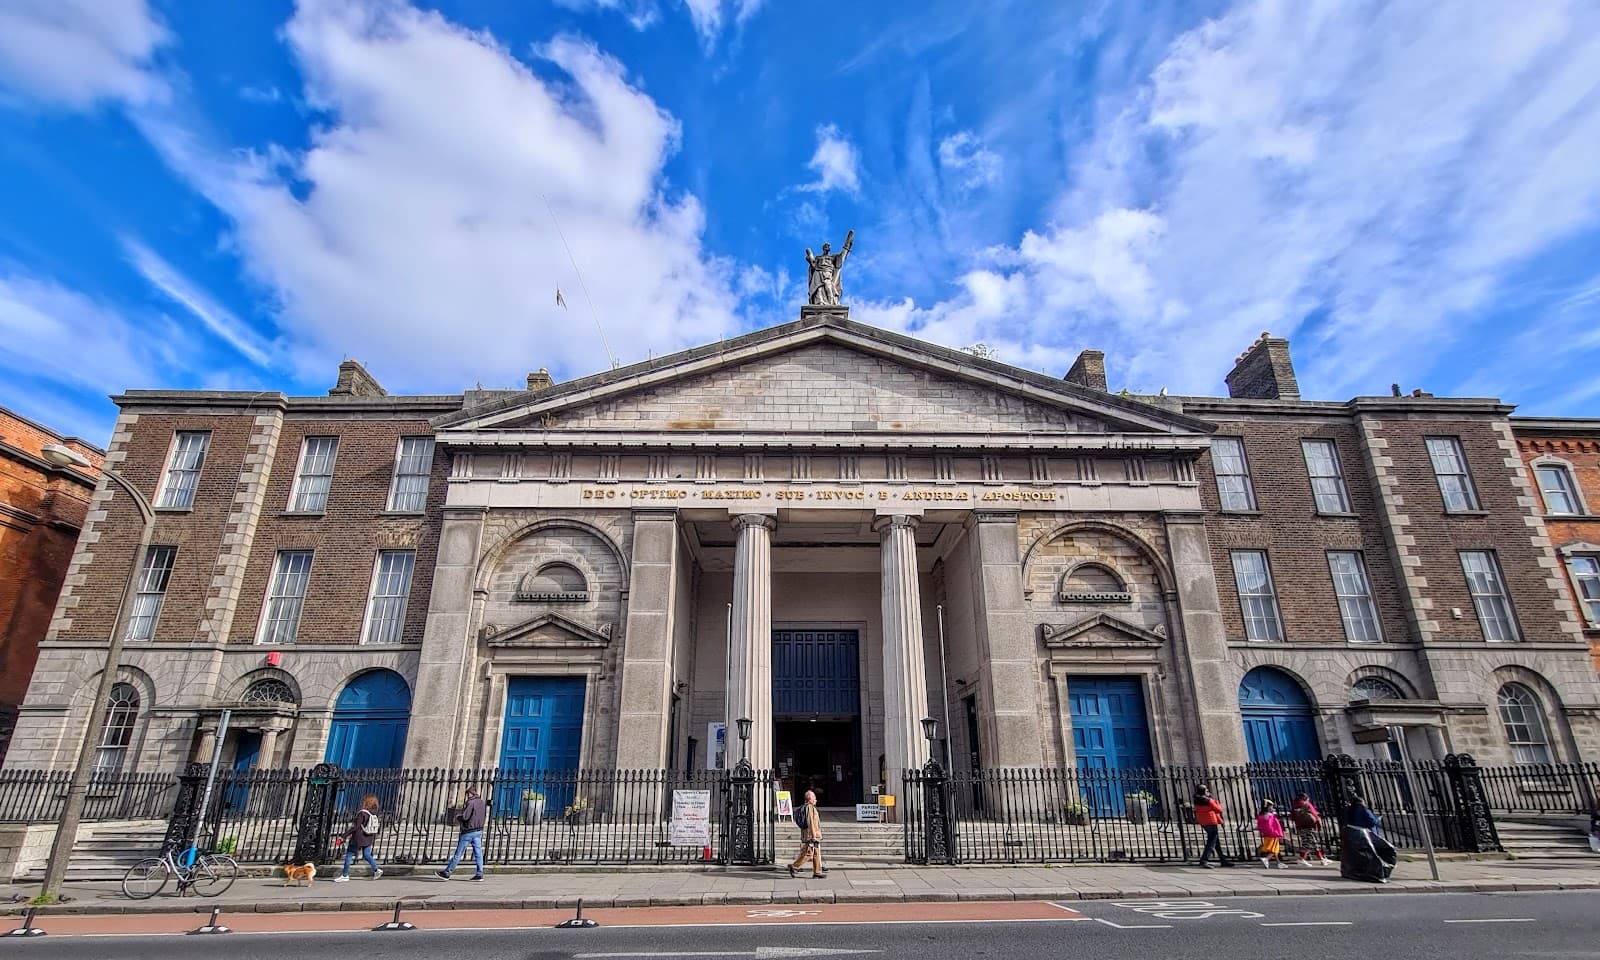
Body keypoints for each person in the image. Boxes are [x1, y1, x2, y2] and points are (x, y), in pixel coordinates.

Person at [435, 786, 487, 881]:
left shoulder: (471, 802)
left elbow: (465, 817)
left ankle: (447, 872)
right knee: (478, 853)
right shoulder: (482, 803)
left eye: (467, 794)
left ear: (470, 794)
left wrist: (458, 817)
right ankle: (479, 873)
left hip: (468, 831)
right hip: (478, 831)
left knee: (458, 853)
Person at [333, 793, 382, 882]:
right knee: (367, 855)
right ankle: (376, 869)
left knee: (349, 855)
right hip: (368, 837)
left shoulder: (362, 813)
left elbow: (355, 827)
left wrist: (344, 836)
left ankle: (345, 875)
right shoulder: (373, 814)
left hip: (358, 838)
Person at [787, 789, 827, 878]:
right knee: (809, 854)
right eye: (814, 797)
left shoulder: (811, 807)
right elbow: (810, 822)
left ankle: (817, 872)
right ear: (809, 799)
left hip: (814, 834)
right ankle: (794, 866)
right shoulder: (809, 807)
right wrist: (813, 835)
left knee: (816, 853)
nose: (815, 799)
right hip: (811, 835)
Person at [1193, 784, 1231, 868]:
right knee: (1211, 842)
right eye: (1206, 790)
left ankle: (1223, 860)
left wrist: (1220, 821)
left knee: (1215, 841)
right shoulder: (1209, 800)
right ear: (1204, 791)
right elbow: (1218, 809)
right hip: (1211, 821)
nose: (1208, 791)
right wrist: (1216, 802)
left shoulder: (1196, 800)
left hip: (1203, 822)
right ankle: (1204, 860)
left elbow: (1214, 812)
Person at [1288, 792, 1331, 865]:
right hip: (1309, 826)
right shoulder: (1307, 804)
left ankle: (1322, 859)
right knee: (1308, 843)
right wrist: (1319, 826)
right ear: (1305, 798)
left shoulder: (1294, 806)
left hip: (1300, 827)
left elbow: (1292, 818)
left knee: (1313, 842)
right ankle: (1302, 858)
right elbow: (1315, 815)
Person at [1255, 799, 1288, 869]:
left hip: (1266, 834)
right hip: (1273, 834)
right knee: (1274, 849)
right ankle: (1266, 859)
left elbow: (1260, 825)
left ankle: (1279, 863)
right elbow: (1273, 825)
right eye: (1271, 806)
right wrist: (1278, 833)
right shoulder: (1271, 815)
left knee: (1274, 848)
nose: (1272, 807)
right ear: (1268, 807)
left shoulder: (1261, 815)